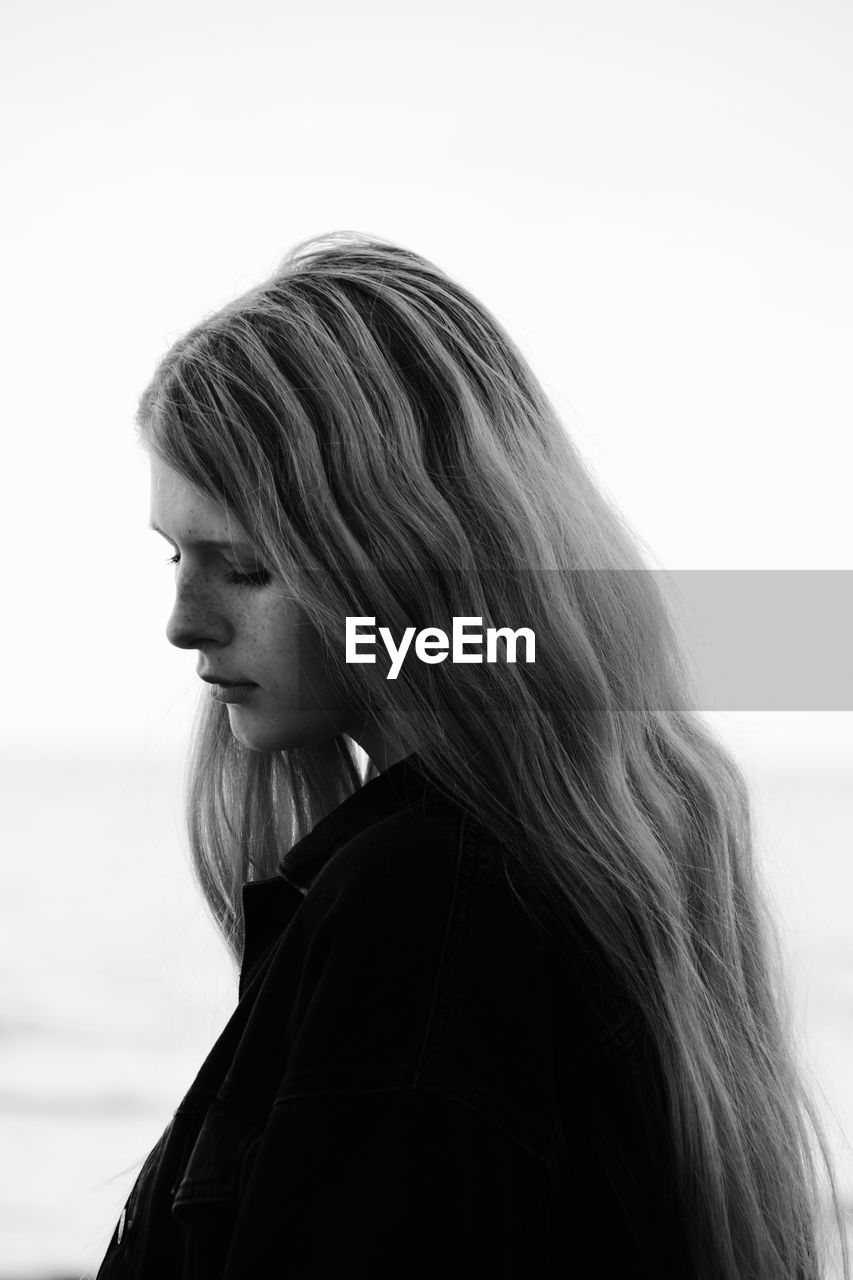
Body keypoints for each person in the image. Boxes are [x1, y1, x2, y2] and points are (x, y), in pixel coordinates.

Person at [95, 231, 846, 1279]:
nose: (183, 622)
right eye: (176, 556)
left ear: (404, 557)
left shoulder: (426, 903)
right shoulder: (537, 878)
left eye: (246, 566)